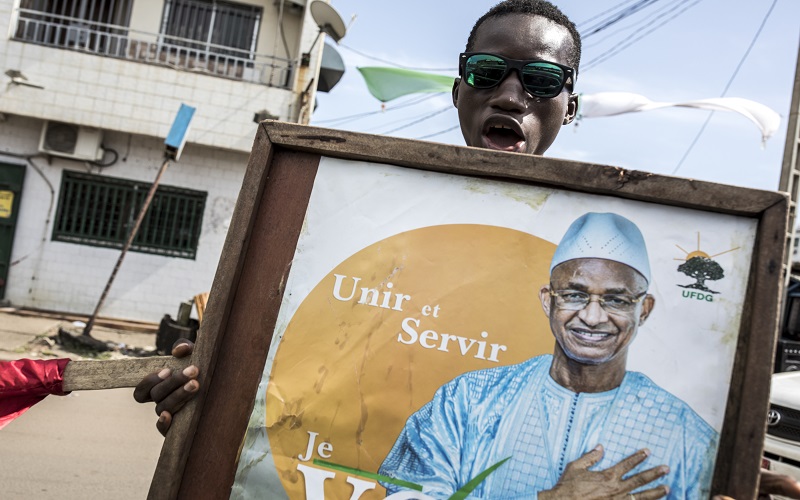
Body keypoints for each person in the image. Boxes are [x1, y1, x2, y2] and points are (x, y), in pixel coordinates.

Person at [134, 1, 800, 498]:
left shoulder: (683, 434)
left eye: (541, 80)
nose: (511, 94)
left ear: (569, 106)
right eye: (488, 72)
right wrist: (214, 413)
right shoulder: (460, 394)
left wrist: (731, 462)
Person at [379, 212, 715, 499]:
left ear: (644, 310)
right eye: (574, 294)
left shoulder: (687, 437)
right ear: (547, 301)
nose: (593, 317)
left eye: (617, 300)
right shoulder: (468, 401)